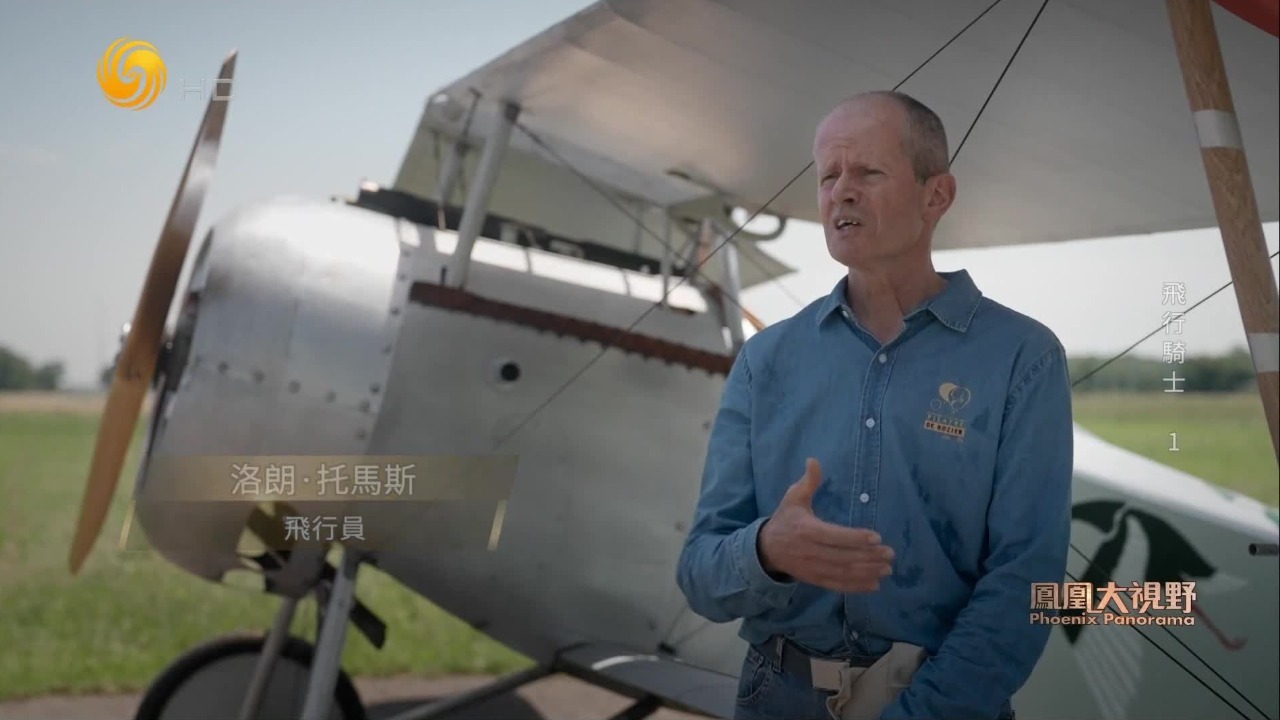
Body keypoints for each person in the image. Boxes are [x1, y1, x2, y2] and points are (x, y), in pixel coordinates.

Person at [674, 91, 1073, 720]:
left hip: (941, 704)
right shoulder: (765, 359)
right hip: (774, 697)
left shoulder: (1026, 358)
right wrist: (767, 550)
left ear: (936, 195)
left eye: (868, 172)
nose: (842, 192)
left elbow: (1025, 586)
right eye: (829, 176)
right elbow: (699, 573)